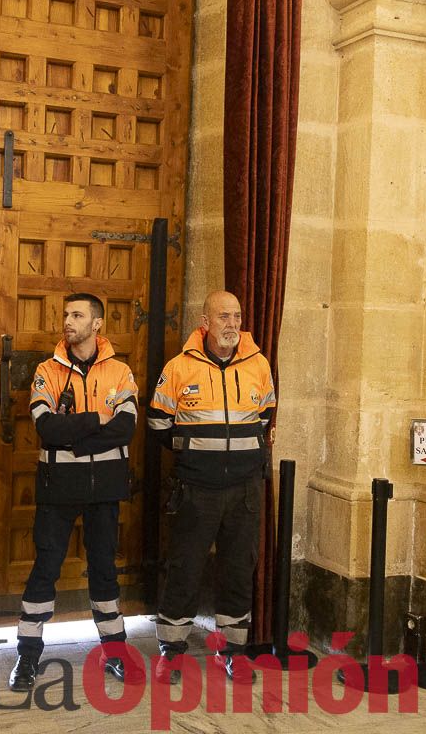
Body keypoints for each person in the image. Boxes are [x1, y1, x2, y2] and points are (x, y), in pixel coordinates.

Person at [8, 293, 141, 691]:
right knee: (45, 569)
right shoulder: (46, 371)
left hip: (106, 488)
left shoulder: (120, 371)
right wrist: (96, 418)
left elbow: (126, 426)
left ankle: (115, 653)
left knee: (104, 569)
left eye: (77, 315)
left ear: (96, 324)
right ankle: (27, 657)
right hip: (58, 486)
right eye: (66, 314)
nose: (68, 320)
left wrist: (78, 437)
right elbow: (46, 428)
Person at [147, 290, 276, 684]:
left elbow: (267, 415)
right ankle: (171, 651)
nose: (233, 324)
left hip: (245, 491)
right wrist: (197, 456)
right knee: (185, 568)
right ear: (205, 322)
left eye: (237, 316)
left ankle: (233, 652)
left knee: (239, 570)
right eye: (224, 317)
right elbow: (157, 424)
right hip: (196, 490)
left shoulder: (259, 365)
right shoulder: (179, 367)